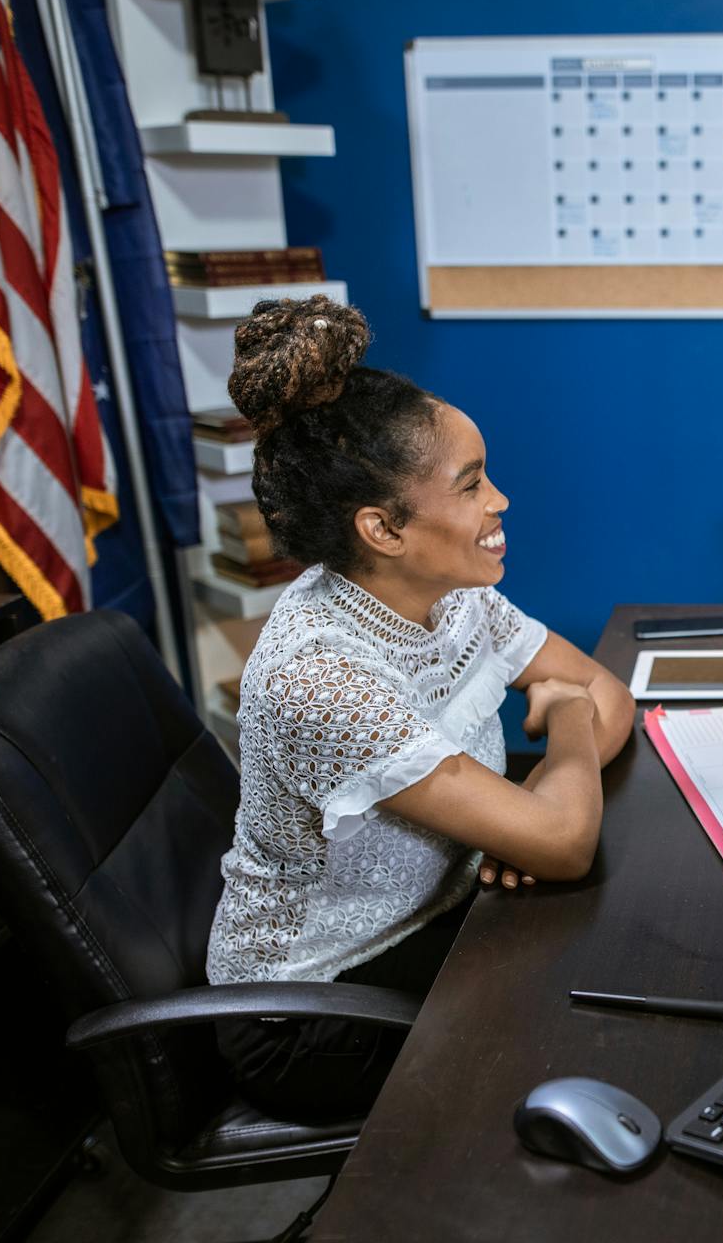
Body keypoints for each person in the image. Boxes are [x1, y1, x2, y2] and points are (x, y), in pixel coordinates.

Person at [205, 296, 633, 1120]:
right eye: (472, 485)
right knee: (589, 1025)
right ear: (383, 528)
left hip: (439, 917)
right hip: (313, 1009)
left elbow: (614, 695)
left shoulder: (448, 595)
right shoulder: (319, 676)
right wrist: (564, 726)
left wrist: (533, 813)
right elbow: (569, 830)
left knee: (610, 965)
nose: (500, 500)